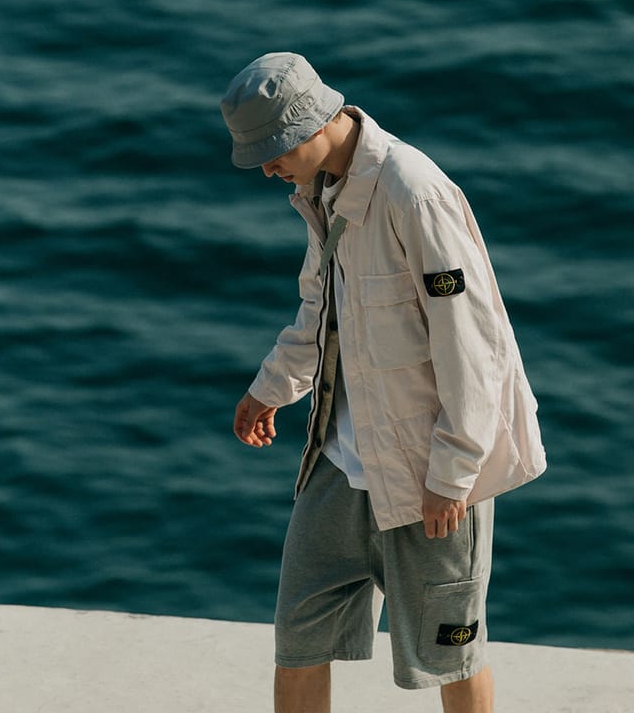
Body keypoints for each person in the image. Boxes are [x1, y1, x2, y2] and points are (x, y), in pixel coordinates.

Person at [221, 52, 546, 713]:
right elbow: (321, 310)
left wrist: (452, 472)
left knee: (451, 652)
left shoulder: (411, 190)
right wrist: (273, 388)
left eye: (272, 150)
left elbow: (473, 343)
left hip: (428, 477)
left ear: (311, 127)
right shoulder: (323, 190)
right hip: (340, 468)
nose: (265, 168)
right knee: (300, 642)